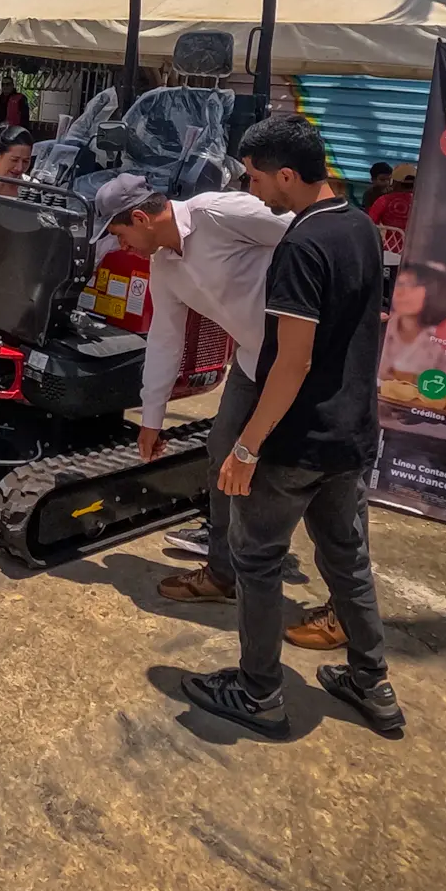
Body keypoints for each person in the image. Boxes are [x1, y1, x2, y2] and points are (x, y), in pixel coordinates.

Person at [177, 111, 403, 741]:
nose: (252, 192)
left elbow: (292, 360)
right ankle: (371, 681)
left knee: (257, 561)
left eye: (254, 179)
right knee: (346, 561)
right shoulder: (360, 224)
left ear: (285, 174)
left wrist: (248, 446)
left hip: (297, 441)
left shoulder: (301, 245)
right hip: (353, 436)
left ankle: (258, 693)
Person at [93, 172, 291, 605]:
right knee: (222, 450)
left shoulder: (218, 214)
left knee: (313, 471)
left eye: (119, 234)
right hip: (253, 359)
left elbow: (306, 234)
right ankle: (223, 573)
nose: (119, 247)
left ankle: (339, 598)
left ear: (142, 217)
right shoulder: (163, 266)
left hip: (306, 359)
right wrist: (151, 419)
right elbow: (165, 340)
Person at [381, 260, 446, 379]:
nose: (399, 292)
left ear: (434, 290)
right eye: (398, 284)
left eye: (410, 285)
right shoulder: (381, 324)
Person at [368, 162, 417, 236]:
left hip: (390, 246)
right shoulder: (422, 203)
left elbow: (370, 224)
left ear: (394, 182)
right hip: (417, 245)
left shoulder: (383, 200)